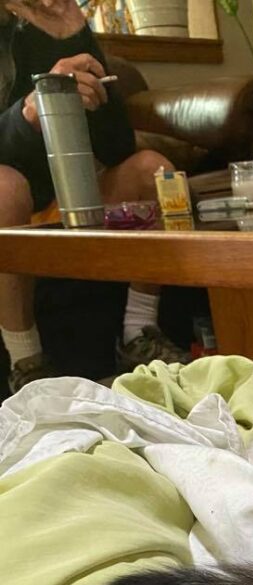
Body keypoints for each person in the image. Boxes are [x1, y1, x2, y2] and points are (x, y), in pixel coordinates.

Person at [0, 0, 190, 392]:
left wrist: (74, 32)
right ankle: (26, 360)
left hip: (71, 193)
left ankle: (139, 332)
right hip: (12, 194)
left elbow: (119, 145)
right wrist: (29, 113)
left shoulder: (57, 20)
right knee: (5, 188)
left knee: (153, 170)